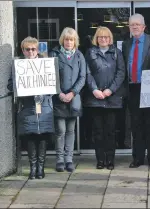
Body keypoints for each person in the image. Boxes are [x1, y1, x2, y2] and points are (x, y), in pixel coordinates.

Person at [7, 36, 54, 179]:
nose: (31, 52)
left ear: (37, 50)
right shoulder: (18, 66)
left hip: (44, 106)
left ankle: (41, 167)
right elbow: (10, 86)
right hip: (27, 107)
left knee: (43, 136)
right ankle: (33, 168)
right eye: (27, 49)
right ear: (23, 50)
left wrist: (45, 91)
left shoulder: (46, 64)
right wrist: (20, 88)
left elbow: (53, 84)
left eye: (33, 49)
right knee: (31, 137)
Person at [122, 13, 150, 168]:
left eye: (138, 24)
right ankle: (137, 158)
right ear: (129, 27)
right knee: (136, 125)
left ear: (144, 26)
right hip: (132, 89)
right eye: (132, 25)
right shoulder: (126, 44)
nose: (135, 27)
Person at [84, 26, 126, 170]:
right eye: (101, 37)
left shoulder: (117, 53)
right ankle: (100, 160)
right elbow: (87, 73)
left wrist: (110, 90)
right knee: (98, 131)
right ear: (97, 38)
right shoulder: (90, 52)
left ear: (110, 39)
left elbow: (121, 73)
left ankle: (110, 160)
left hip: (112, 98)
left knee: (110, 131)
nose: (103, 39)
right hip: (95, 98)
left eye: (106, 37)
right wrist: (94, 89)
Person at [49, 27, 86, 172]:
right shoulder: (54, 54)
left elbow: (82, 77)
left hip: (74, 98)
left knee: (71, 130)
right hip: (59, 99)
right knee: (60, 130)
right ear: (62, 40)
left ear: (75, 41)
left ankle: (69, 159)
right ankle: (59, 160)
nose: (69, 42)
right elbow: (51, 75)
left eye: (71, 39)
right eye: (66, 39)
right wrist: (59, 93)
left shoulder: (79, 56)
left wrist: (73, 92)